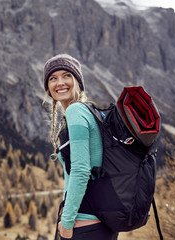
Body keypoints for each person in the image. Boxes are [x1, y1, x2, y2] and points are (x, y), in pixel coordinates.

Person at [43, 54, 118, 240]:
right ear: (48, 88)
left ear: (78, 81)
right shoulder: (90, 112)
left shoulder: (76, 111)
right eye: (53, 78)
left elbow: (80, 169)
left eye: (67, 75)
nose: (60, 82)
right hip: (100, 221)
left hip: (84, 223)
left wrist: (67, 221)